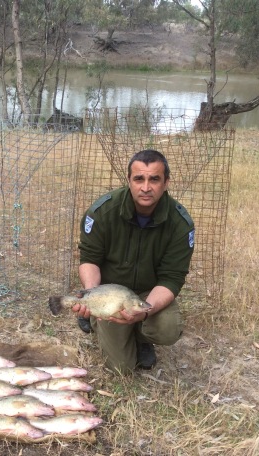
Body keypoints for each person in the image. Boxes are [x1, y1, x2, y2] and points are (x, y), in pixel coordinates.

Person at [73, 149, 194, 373]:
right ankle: (94, 320)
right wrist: (94, 297)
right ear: (129, 180)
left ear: (166, 182)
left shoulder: (180, 223)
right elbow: (90, 259)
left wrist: (145, 312)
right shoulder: (102, 212)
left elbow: (172, 278)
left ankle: (142, 336)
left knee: (167, 328)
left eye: (154, 179)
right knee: (121, 368)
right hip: (111, 292)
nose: (146, 187)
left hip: (149, 293)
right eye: (139, 178)